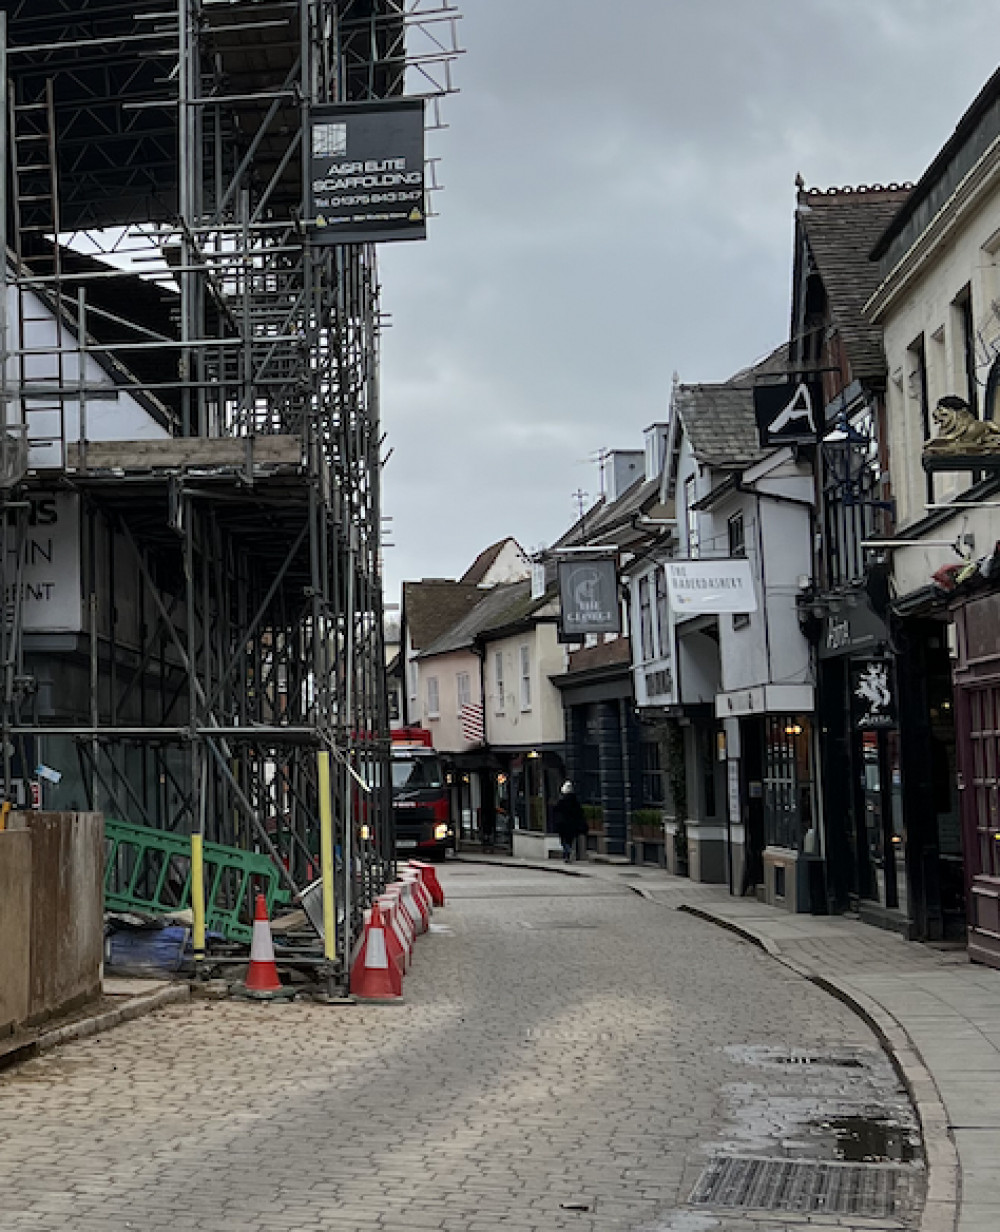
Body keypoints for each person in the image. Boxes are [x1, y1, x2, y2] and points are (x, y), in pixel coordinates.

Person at [553, 780, 587, 862]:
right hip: (572, 824)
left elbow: (556, 811)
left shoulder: (561, 801)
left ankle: (567, 852)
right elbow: (580, 812)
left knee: (564, 840)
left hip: (563, 824)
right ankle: (568, 852)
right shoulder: (575, 801)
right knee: (570, 840)